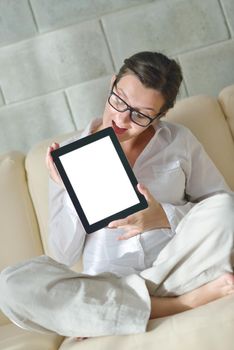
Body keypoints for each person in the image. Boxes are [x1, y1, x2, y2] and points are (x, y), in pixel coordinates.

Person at [0, 51, 234, 338]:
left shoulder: (179, 140)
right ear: (112, 83)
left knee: (226, 208)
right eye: (119, 99)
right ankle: (180, 304)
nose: (122, 118)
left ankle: (106, 313)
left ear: (160, 115)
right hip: (108, 282)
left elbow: (221, 206)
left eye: (141, 114)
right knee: (11, 284)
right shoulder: (69, 156)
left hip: (174, 269)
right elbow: (63, 254)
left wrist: (164, 217)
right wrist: (67, 187)